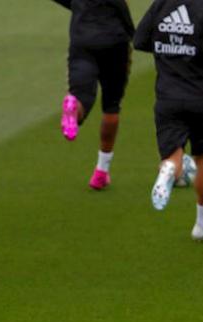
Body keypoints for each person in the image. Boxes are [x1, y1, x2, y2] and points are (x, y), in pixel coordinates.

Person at [133, 0, 203, 240]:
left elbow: (139, 40)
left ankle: (169, 169)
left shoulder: (162, 4)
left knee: (173, 154)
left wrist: (170, 50)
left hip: (167, 97)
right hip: (202, 98)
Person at [49, 0, 135, 191]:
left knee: (81, 95)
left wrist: (80, 7)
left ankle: (74, 107)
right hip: (114, 42)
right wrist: (133, 33)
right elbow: (120, 6)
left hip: (83, 40)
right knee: (111, 106)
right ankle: (101, 172)